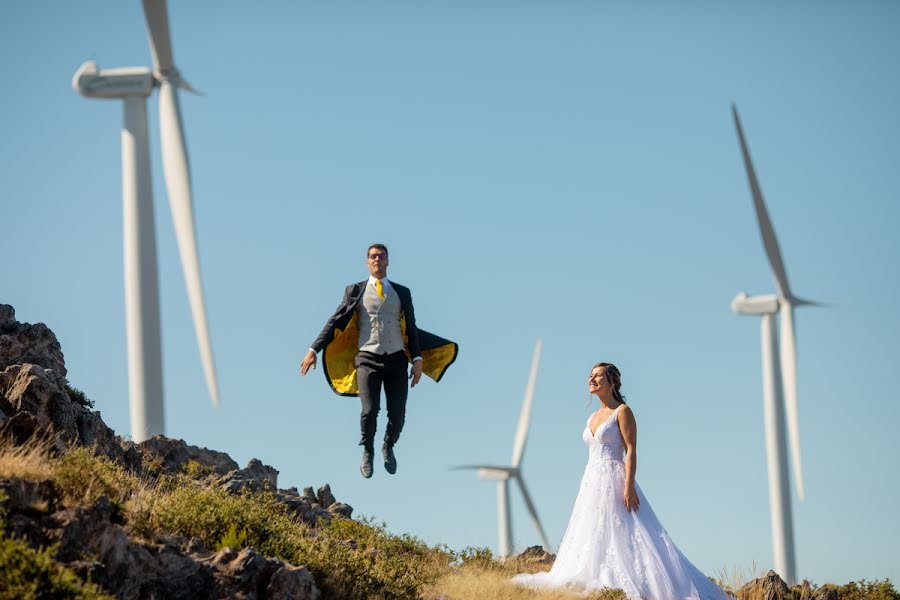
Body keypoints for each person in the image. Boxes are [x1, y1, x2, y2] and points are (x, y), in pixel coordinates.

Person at [511, 363, 729, 599]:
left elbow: (631, 450)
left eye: (598, 376)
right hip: (591, 480)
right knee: (591, 530)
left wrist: (628, 486)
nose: (591, 380)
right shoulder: (592, 417)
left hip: (614, 477)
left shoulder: (622, 411)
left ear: (611, 382)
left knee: (623, 530)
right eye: (590, 376)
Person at [299, 244, 458, 478]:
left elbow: (410, 328)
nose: (377, 260)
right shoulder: (355, 290)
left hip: (396, 359)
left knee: (397, 414)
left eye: (381, 256)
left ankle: (388, 445)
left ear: (388, 261)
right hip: (366, 357)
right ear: (367, 262)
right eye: (373, 257)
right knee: (369, 410)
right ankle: (367, 450)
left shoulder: (402, 293)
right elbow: (335, 321)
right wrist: (313, 349)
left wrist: (417, 359)